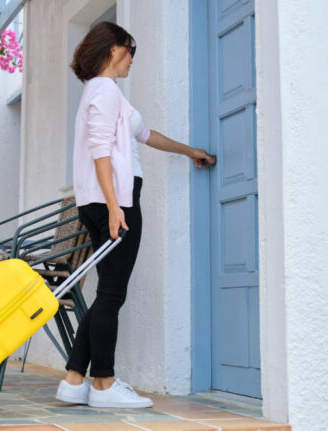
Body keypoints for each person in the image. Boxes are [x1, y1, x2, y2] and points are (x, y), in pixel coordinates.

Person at [55, 21, 214, 409]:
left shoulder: (107, 94)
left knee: (107, 292)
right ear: (113, 50)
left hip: (102, 201)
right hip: (115, 202)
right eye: (131, 51)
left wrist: (190, 151)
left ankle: (74, 379)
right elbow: (100, 151)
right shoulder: (105, 90)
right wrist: (115, 206)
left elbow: (147, 135)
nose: (132, 59)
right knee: (112, 294)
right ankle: (104, 384)